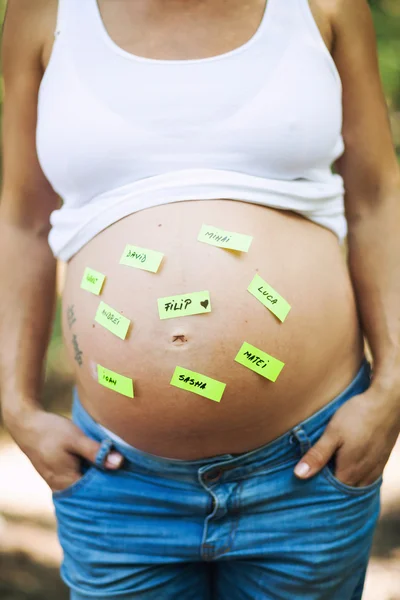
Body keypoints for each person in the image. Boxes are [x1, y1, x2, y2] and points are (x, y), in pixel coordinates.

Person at [1, 0, 399, 598]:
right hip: (117, 477)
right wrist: (15, 405)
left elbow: (377, 197)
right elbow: (22, 221)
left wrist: (393, 388)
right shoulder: (42, 15)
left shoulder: (325, 6)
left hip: (310, 464)